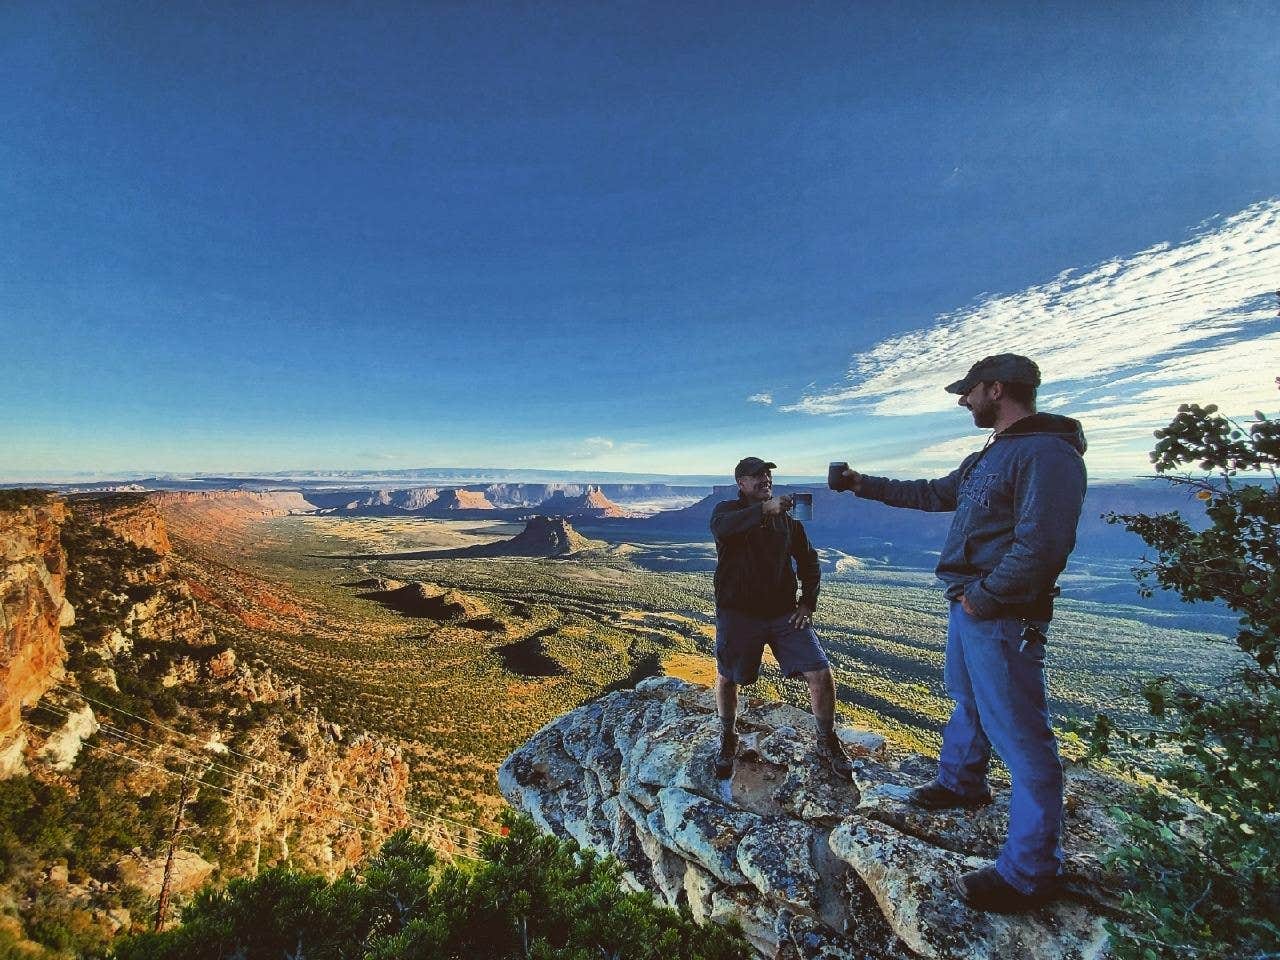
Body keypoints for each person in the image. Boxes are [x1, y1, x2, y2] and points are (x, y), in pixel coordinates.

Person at [831, 354, 1086, 913]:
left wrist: (983, 598)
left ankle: (1030, 872)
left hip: (1001, 612)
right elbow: (930, 494)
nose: (962, 401)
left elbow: (1044, 545)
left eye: (968, 392)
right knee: (967, 698)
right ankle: (962, 782)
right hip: (971, 605)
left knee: (1022, 738)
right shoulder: (990, 454)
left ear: (996, 389)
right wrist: (857, 484)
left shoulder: (1049, 454)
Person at [710, 456, 852, 781]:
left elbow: (810, 564)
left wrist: (808, 603)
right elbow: (722, 529)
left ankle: (826, 739)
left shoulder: (790, 525)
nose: (765, 480)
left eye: (767, 475)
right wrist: (764, 510)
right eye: (756, 476)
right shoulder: (726, 512)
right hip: (738, 615)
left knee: (819, 670)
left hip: (784, 614)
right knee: (729, 676)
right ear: (741, 484)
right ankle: (727, 736)